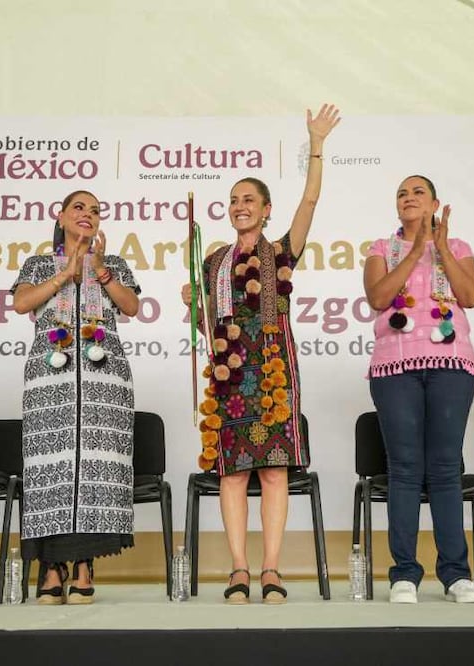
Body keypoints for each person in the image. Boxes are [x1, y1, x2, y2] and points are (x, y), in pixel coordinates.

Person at [181, 104, 340, 604]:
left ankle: (271, 569)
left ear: (267, 209)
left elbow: (311, 201)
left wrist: (316, 145)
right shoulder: (213, 261)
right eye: (233, 200)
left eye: (248, 199)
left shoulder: (281, 252)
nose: (239, 206)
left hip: (273, 368)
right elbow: (206, 327)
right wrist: (193, 303)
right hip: (229, 377)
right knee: (233, 471)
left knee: (273, 469)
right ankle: (238, 570)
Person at [11, 190, 140, 605]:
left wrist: (100, 272)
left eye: (96, 210)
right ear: (61, 215)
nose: (88, 215)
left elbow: (130, 306)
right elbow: (21, 303)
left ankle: (84, 565)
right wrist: (65, 273)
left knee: (95, 471)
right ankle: (51, 567)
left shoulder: (114, 263)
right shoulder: (38, 263)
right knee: (53, 471)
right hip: (50, 379)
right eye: (79, 208)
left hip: (106, 379)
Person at [363, 175, 474, 604]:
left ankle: (455, 575)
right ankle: (404, 574)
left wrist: (441, 248)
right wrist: (416, 251)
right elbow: (378, 298)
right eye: (401, 193)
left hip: (451, 365)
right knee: (405, 468)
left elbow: (469, 295)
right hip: (395, 367)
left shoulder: (460, 247)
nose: (409, 197)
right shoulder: (381, 248)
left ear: (434, 202)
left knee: (446, 467)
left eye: (418, 192)